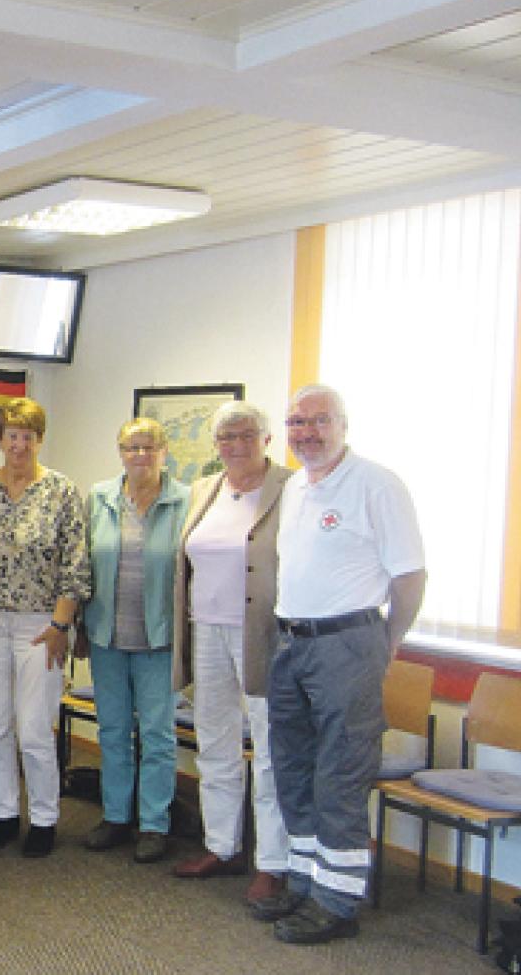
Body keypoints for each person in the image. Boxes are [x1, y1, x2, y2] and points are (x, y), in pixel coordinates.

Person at [256, 384, 425, 945]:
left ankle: (337, 903)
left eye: (319, 420)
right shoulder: (295, 487)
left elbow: (410, 576)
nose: (306, 432)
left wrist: (388, 640)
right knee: (294, 769)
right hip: (292, 643)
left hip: (347, 643)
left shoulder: (377, 485)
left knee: (340, 775)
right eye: (296, 422)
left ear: (343, 425)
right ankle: (305, 882)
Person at [0, 396, 89, 858]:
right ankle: (4, 814)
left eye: (27, 436)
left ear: (39, 440)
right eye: (11, 435)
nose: (18, 444)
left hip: (40, 623)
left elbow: (76, 564)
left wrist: (60, 624)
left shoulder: (61, 491)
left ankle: (45, 819)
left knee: (33, 728)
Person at [171, 401, 293, 903]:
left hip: (262, 633)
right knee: (215, 739)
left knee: (269, 749)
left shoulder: (290, 488)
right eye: (226, 437)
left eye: (246, 435)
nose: (236, 445)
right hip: (206, 629)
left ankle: (273, 862)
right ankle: (222, 846)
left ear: (266, 439)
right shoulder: (206, 488)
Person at [80, 418, 189, 864]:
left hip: (159, 640)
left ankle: (154, 823)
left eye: (149, 447)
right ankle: (116, 816)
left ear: (164, 451)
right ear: (120, 451)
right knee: (112, 731)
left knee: (158, 735)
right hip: (107, 635)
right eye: (131, 447)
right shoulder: (100, 497)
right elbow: (82, 563)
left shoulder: (184, 501)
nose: (140, 455)